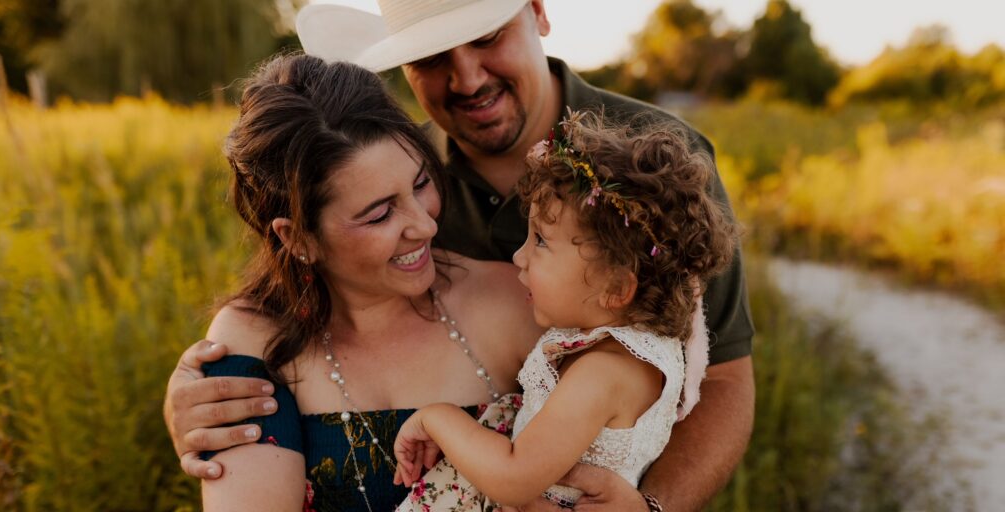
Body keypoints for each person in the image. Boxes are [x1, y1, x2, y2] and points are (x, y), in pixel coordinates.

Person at [166, 1, 756, 510]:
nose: (467, 78)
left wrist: (651, 508)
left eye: (486, 37)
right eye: (432, 57)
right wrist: (197, 405)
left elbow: (721, 380)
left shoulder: (651, 169)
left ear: (538, 10)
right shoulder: (393, 156)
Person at [197, 53, 543, 511]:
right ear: (299, 237)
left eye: (421, 184)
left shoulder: (513, 300)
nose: (424, 226)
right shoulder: (253, 339)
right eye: (379, 214)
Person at [391, 110, 737, 511]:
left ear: (617, 287)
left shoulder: (602, 372)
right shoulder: (640, 344)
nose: (519, 257)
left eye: (540, 241)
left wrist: (436, 418)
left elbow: (514, 479)